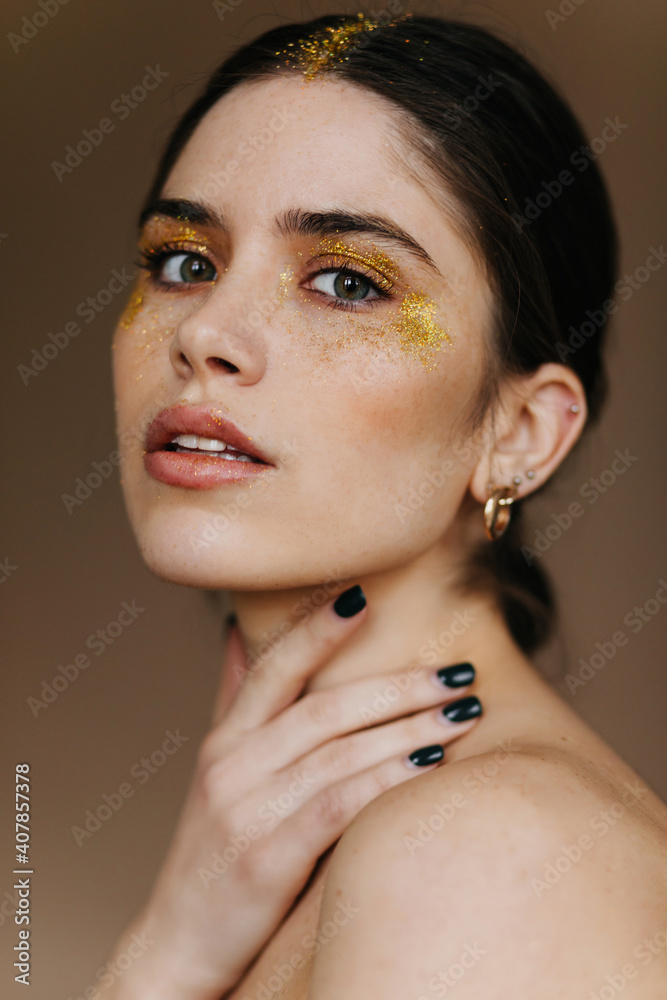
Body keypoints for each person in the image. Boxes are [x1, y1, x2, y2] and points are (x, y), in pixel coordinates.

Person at [104, 12, 667, 999]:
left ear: (521, 431)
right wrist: (167, 948)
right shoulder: (338, 844)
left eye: (344, 281)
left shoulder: (481, 851)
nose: (205, 333)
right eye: (184, 261)